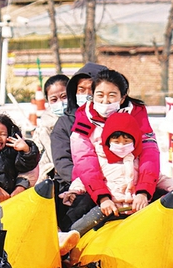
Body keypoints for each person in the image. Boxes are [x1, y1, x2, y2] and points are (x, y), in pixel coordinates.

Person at [68, 68, 160, 218]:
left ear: (122, 98)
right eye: (100, 95)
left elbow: (150, 155)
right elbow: (84, 162)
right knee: (76, 211)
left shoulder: (137, 115)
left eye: (112, 96)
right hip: (96, 186)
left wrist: (144, 191)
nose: (105, 101)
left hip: (134, 183)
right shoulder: (84, 120)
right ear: (92, 96)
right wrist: (102, 197)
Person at [62, 112, 173, 216]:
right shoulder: (102, 161)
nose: (121, 146)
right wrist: (74, 191)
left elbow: (159, 178)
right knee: (83, 215)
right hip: (108, 210)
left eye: (127, 141)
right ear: (108, 142)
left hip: (136, 210)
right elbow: (85, 180)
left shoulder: (138, 162)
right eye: (116, 142)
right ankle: (72, 234)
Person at [49, 63, 105, 229]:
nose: (87, 95)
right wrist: (92, 184)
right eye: (81, 90)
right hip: (75, 185)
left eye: (92, 89)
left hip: (115, 182)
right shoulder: (65, 123)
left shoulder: (119, 118)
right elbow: (63, 162)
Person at [0, 113, 39, 200]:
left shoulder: (13, 151)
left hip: (15, 199)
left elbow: (26, 167)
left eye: (3, 134)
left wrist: (26, 150)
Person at [32, 73, 69, 183]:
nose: (60, 103)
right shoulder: (44, 127)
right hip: (54, 179)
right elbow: (35, 154)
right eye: (54, 99)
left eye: (64, 97)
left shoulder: (83, 119)